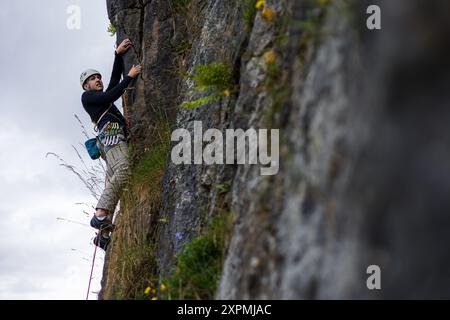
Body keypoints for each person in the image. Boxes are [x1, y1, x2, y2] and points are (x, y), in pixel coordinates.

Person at [80, 38, 142, 250]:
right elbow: (115, 91)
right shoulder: (87, 97)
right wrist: (131, 76)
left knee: (117, 177)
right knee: (124, 171)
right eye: (93, 79)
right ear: (86, 85)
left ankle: (104, 235)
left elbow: (113, 85)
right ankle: (99, 215)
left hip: (111, 138)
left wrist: (117, 56)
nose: (98, 80)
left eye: (98, 77)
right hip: (111, 136)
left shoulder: (101, 97)